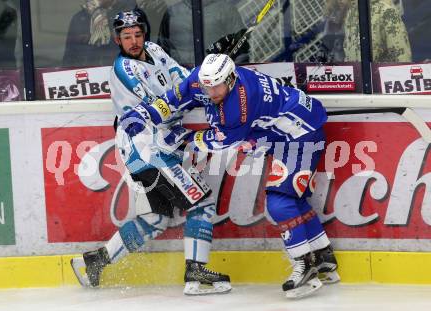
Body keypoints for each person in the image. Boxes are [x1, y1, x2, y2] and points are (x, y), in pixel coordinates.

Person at [120, 54, 340, 299]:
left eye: (216, 86)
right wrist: (145, 113)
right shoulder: (201, 80)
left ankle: (305, 264)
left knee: (280, 202)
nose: (211, 92)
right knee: (292, 199)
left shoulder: (239, 105)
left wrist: (185, 139)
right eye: (206, 86)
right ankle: (323, 257)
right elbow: (174, 99)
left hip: (300, 135)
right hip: (281, 132)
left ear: (231, 79)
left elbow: (223, 140)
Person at [71, 10, 231, 296]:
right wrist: (200, 87)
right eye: (126, 37)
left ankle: (96, 261)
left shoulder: (155, 50)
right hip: (148, 150)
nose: (133, 41)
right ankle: (195, 273)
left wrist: (206, 71)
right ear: (116, 40)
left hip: (155, 148)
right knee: (202, 202)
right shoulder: (124, 69)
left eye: (137, 35)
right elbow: (167, 104)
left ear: (145, 34)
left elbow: (182, 80)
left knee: (157, 218)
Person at [157, 0, 247, 65]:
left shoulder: (225, 9)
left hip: (218, 79)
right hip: (182, 79)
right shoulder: (171, 13)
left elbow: (241, 49)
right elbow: (162, 50)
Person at [324, 0, 411, 62]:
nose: (339, 2)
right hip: (361, 84)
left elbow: (402, 59)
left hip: (383, 83)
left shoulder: (385, 12)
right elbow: (350, 58)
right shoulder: (350, 18)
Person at [62, 0, 140, 67]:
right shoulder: (80, 18)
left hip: (122, 72)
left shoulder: (129, 12)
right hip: (90, 77)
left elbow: (137, 48)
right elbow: (70, 55)